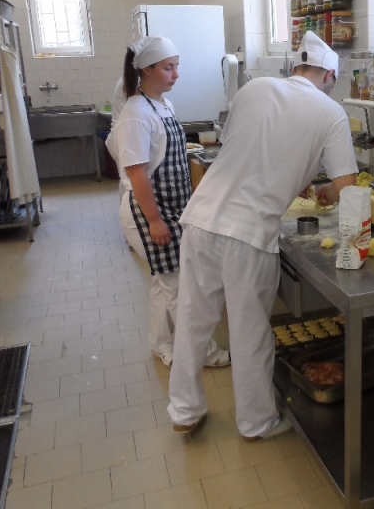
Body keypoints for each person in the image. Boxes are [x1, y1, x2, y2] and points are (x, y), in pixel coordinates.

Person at [167, 32, 358, 439]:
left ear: (296, 68)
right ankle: (256, 421)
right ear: (329, 76)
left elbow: (247, 149)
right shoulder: (331, 112)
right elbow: (348, 187)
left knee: (192, 320)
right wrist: (324, 188)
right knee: (249, 331)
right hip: (248, 233)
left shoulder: (253, 90)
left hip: (201, 217)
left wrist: (293, 177)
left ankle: (184, 410)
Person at [109, 36, 230, 369]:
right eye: (168, 67)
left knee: (164, 282)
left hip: (170, 209)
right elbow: (137, 174)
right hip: (147, 212)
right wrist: (155, 221)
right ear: (146, 69)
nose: (176, 74)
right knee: (180, 287)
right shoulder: (136, 114)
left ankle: (161, 343)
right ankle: (204, 353)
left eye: (176, 66)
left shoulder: (162, 105)